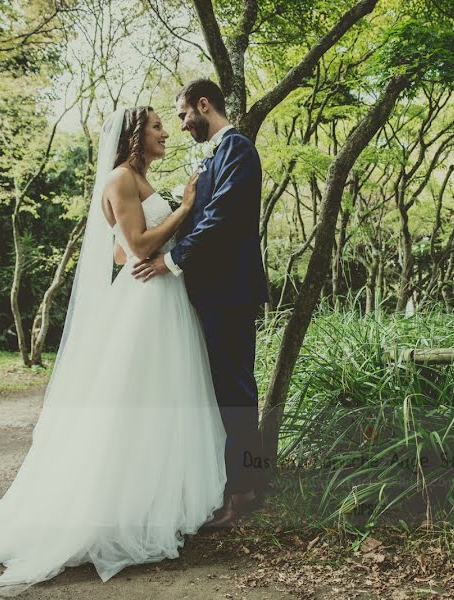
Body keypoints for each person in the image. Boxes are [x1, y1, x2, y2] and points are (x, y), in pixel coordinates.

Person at [0, 106, 227, 588]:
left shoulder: (133, 180)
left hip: (162, 299)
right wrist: (183, 208)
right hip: (147, 304)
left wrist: (168, 226)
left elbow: (119, 249)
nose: (166, 132)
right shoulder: (120, 178)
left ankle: (156, 502)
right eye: (159, 126)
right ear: (136, 136)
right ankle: (118, 511)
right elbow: (138, 248)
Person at [132, 79, 270, 527]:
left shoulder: (237, 149)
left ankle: (247, 490)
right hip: (212, 292)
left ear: (203, 104)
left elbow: (222, 217)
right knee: (224, 392)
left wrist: (172, 259)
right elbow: (199, 216)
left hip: (230, 290)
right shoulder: (215, 155)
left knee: (237, 392)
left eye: (182, 114)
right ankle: (234, 485)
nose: (180, 124)